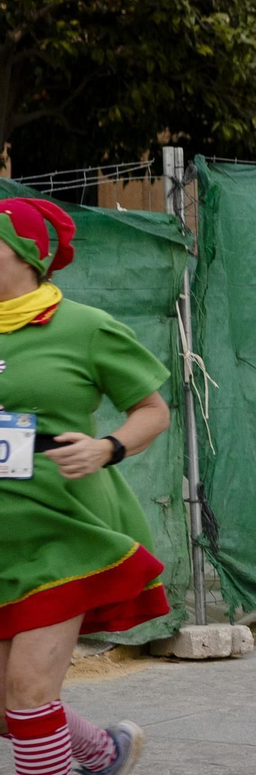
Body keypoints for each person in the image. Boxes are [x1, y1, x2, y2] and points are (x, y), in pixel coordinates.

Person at [0, 199, 172, 775]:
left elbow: (153, 410)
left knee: (26, 696)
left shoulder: (85, 327)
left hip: (61, 532)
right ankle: (104, 752)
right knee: (8, 709)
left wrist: (107, 447)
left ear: (26, 254)